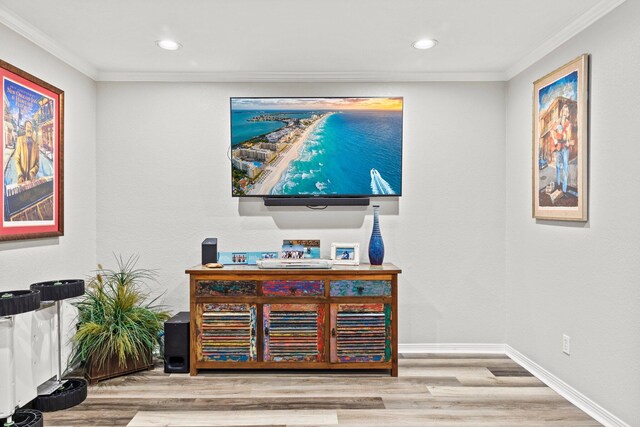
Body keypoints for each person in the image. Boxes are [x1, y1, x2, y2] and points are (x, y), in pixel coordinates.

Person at [550, 103, 572, 193]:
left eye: (567, 111)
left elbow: (568, 136)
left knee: (565, 168)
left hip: (565, 148)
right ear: (561, 111)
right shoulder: (558, 122)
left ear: (567, 113)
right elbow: (551, 130)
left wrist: (566, 137)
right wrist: (555, 139)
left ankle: (564, 189)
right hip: (558, 148)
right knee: (558, 166)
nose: (565, 113)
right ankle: (558, 185)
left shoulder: (568, 123)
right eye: (564, 111)